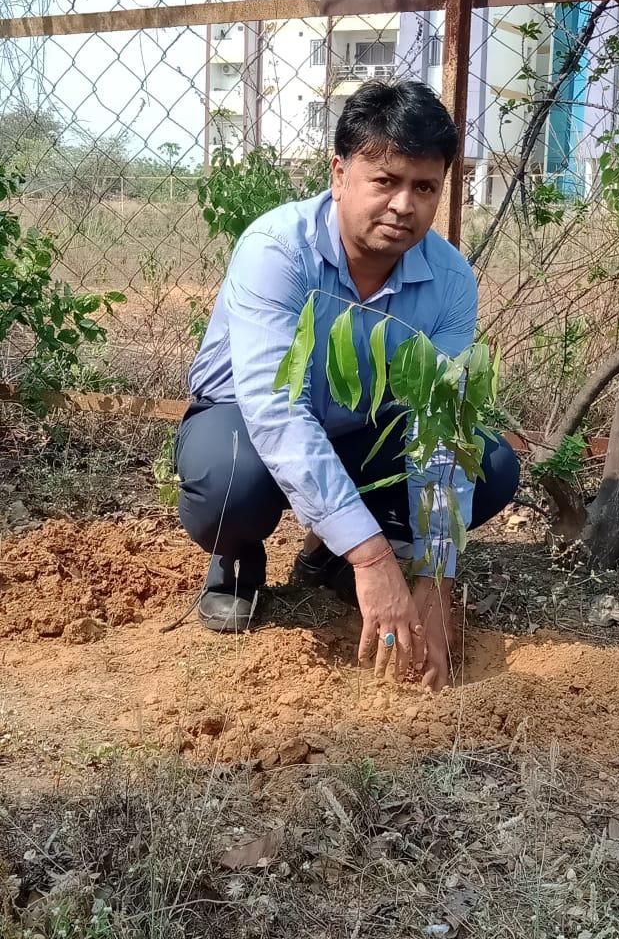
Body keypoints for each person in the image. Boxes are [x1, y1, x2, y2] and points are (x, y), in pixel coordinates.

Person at [175, 80, 520, 690]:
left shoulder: (450, 282)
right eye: (385, 180)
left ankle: (326, 552)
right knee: (231, 483)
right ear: (340, 175)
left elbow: (439, 424)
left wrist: (435, 581)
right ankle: (240, 555)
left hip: (363, 428)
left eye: (424, 187)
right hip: (245, 421)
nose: (403, 205)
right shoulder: (278, 250)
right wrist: (375, 558)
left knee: (490, 465)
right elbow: (277, 411)